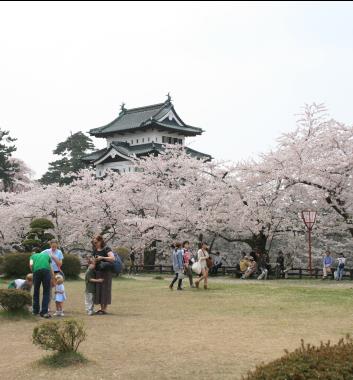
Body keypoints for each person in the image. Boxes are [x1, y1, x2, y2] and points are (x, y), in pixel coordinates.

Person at [92, 235, 115, 314]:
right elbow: (93, 260)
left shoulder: (106, 248)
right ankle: (101, 308)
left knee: (105, 290)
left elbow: (112, 258)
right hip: (97, 272)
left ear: (100, 241)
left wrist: (102, 258)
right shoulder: (95, 250)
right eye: (94, 242)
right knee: (99, 290)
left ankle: (104, 309)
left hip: (106, 272)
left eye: (96, 242)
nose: (95, 244)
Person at [29, 250, 54, 318]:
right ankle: (44, 312)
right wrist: (53, 277)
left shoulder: (32, 256)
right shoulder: (47, 255)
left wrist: (34, 272)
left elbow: (31, 265)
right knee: (46, 292)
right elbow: (50, 266)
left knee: (36, 291)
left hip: (36, 272)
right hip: (46, 272)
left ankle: (35, 311)